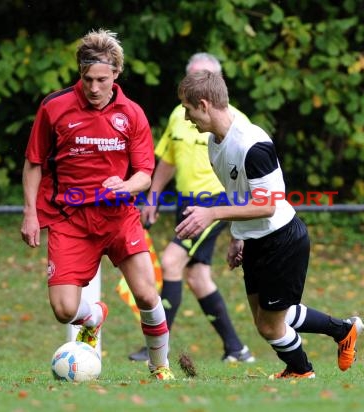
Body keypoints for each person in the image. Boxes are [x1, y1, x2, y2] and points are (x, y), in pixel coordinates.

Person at [174, 70, 364, 379]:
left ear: (205, 104)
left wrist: (212, 214)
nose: (186, 117)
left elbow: (268, 204)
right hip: (257, 240)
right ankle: (344, 330)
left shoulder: (252, 143)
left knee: (270, 324)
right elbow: (239, 193)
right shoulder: (214, 142)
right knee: (271, 317)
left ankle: (301, 371)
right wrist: (239, 236)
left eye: (188, 108)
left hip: (282, 241)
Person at [20, 28, 174, 380]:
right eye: (87, 79)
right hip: (69, 220)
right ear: (80, 74)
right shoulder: (54, 107)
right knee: (63, 310)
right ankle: (93, 316)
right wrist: (30, 212)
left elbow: (145, 174)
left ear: (116, 75)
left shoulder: (132, 114)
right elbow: (34, 163)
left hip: (119, 218)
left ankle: (159, 367)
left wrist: (125, 185)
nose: (93, 87)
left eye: (102, 79)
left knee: (148, 296)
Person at [128, 53, 255, 363]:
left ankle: (156, 347)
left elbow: (250, 177)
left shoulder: (236, 122)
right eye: (192, 78)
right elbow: (168, 159)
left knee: (171, 262)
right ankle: (237, 349)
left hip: (214, 204)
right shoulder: (179, 116)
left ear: (217, 86)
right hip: (184, 204)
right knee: (198, 278)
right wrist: (153, 196)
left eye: (204, 78)